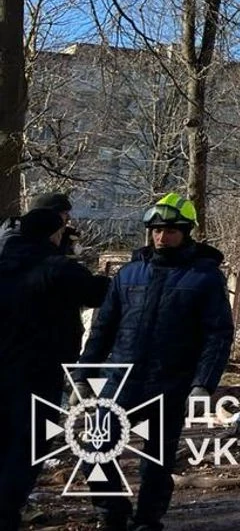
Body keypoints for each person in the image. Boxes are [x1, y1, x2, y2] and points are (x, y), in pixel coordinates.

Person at [84, 192, 232, 531]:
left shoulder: (205, 277)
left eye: (170, 230)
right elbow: (104, 326)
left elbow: (218, 334)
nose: (161, 237)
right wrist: (86, 368)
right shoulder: (129, 274)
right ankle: (112, 513)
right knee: (96, 447)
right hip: (121, 380)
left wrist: (203, 383)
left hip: (170, 382)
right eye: (156, 230)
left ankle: (148, 521)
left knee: (155, 462)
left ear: (186, 232)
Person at [0, 208, 109, 531]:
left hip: (6, 365)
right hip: (39, 370)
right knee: (29, 443)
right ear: (54, 234)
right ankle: (7, 512)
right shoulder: (56, 268)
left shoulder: (5, 262)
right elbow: (97, 292)